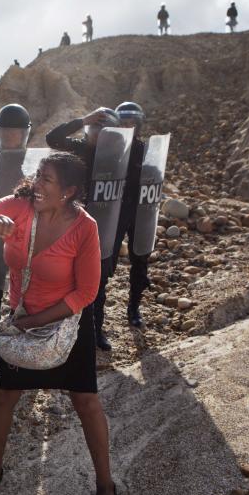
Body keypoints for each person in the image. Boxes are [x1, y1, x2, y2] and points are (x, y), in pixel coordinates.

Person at [0, 152, 116, 495]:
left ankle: (106, 484)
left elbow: (86, 292)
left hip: (67, 322)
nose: (38, 184)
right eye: (38, 175)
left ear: (69, 191)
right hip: (24, 317)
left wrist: (39, 320)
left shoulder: (84, 227)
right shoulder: (20, 206)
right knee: (3, 397)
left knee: (86, 402)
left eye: (47, 180)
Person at [91, 102, 151, 351]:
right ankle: (96, 325)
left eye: (132, 123)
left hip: (139, 213)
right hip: (113, 214)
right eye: (123, 122)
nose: (128, 127)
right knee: (103, 266)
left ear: (138, 125)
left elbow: (154, 177)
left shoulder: (145, 150)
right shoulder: (109, 148)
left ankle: (134, 308)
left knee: (140, 261)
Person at [45, 106, 120, 178]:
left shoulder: (116, 154)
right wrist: (83, 121)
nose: (96, 133)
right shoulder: (78, 147)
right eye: (94, 127)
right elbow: (52, 138)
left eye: (102, 130)